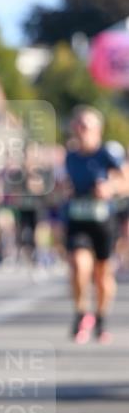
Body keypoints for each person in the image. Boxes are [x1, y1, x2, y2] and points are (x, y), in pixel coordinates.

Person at [62, 107, 127, 344]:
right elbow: (63, 183)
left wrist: (109, 188)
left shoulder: (108, 153)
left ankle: (101, 317)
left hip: (103, 221)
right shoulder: (70, 156)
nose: (80, 131)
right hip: (78, 220)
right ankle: (81, 313)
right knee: (79, 265)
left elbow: (126, 180)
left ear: (97, 130)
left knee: (102, 275)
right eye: (77, 125)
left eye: (85, 126)